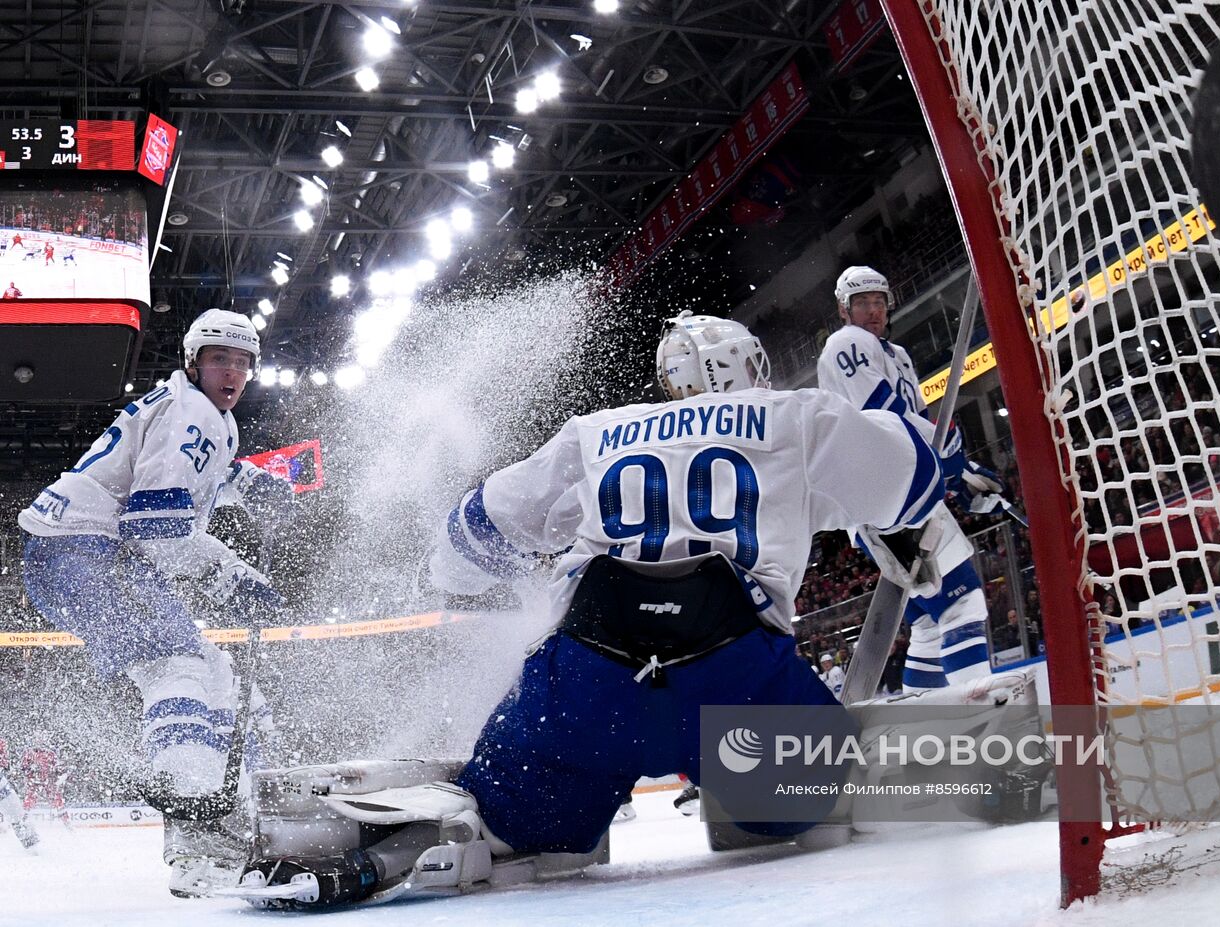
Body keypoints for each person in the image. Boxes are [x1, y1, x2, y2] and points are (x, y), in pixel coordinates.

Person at [237, 311, 953, 908]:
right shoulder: (792, 417)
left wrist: (492, 577)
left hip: (584, 691)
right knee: (819, 803)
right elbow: (915, 486)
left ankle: (426, 841)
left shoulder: (598, 432)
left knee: (517, 826)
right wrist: (904, 427)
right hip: (739, 688)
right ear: (743, 366)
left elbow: (474, 529)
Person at [17, 308, 294, 896]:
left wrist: (245, 480)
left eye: (243, 362)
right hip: (80, 547)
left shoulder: (205, 415)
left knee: (219, 676)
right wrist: (230, 574)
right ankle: (195, 826)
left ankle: (247, 809)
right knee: (179, 667)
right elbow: (155, 524)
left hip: (84, 548)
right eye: (220, 358)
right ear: (193, 362)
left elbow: (197, 466)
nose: (233, 372)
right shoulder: (193, 409)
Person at [817, 265, 1007, 693]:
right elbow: (884, 414)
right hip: (883, 493)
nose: (872, 310)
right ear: (844, 309)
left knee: (927, 624)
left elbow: (919, 428)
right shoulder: (846, 342)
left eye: (879, 302)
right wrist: (950, 450)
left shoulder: (897, 355)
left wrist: (960, 478)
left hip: (901, 493)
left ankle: (926, 719)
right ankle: (981, 719)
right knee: (961, 605)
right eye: (862, 303)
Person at [20, 736, 71, 828]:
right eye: (37, 740)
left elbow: (57, 767)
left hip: (49, 782)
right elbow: (23, 768)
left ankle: (67, 823)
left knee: (58, 801)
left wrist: (58, 773)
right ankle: (22, 821)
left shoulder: (50, 754)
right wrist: (31, 770)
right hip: (34, 782)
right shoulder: (29, 753)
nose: (40, 743)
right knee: (28, 801)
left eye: (42, 740)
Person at [0, 737, 39, 849]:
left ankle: (32, 845)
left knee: (18, 818)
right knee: (18, 818)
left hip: (3, 789)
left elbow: (5, 764)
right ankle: (32, 845)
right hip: (3, 789)